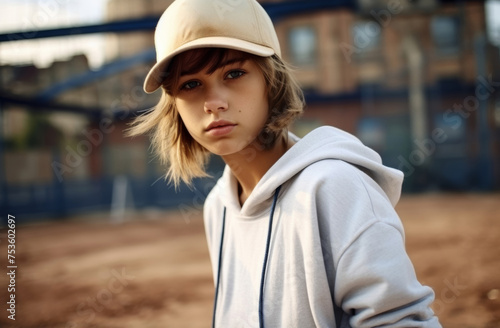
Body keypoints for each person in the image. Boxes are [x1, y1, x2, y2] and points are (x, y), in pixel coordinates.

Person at [128, 0, 442, 327]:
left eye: (234, 73)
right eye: (191, 84)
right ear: (174, 104)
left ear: (271, 81)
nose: (214, 103)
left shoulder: (336, 186)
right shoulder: (217, 206)